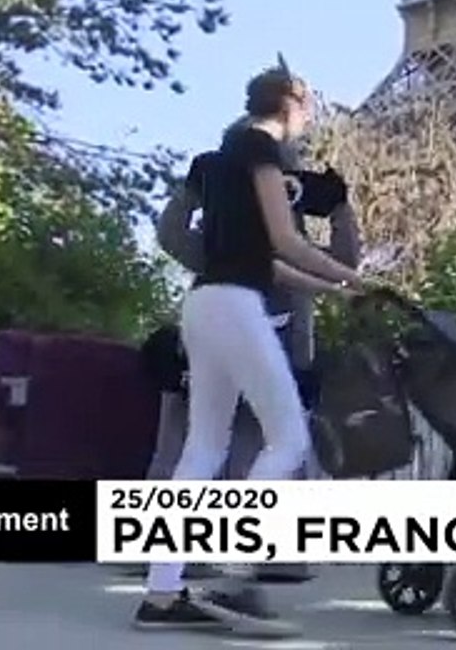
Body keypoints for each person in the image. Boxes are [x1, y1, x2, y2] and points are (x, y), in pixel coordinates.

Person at [132, 60, 365, 636]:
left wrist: (336, 290)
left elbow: (271, 263)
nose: (309, 118)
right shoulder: (261, 149)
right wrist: (352, 279)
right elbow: (287, 242)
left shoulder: (220, 167)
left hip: (206, 303)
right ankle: (235, 578)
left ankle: (161, 594)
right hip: (237, 306)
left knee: (202, 449)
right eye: (307, 107)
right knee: (288, 437)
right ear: (291, 104)